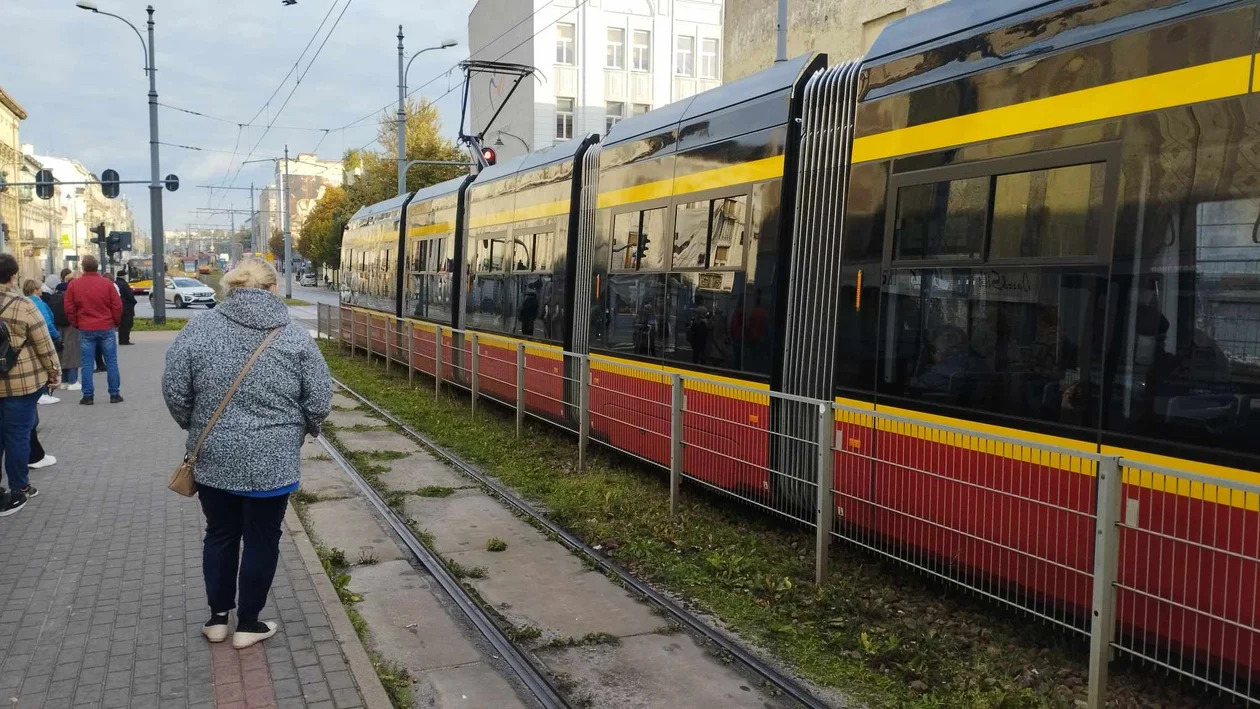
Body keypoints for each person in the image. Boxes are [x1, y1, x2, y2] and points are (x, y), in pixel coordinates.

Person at [162, 258, 331, 649]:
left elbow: (174, 391)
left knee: (220, 534)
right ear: (273, 289)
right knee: (262, 538)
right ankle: (249, 624)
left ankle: (218, 619)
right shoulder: (293, 336)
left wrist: (199, 427)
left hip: (214, 459)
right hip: (273, 463)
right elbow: (320, 399)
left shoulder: (197, 330)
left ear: (230, 289)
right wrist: (297, 430)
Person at [0, 255, 60, 515]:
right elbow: (43, 343)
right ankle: (19, 488)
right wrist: (53, 373)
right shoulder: (22, 304)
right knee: (17, 436)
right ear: (13, 276)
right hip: (19, 384)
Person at [64, 255, 123, 405]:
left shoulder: (74, 285)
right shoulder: (107, 284)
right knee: (111, 362)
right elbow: (117, 306)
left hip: (85, 328)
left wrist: (76, 323)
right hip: (106, 326)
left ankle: (88, 396)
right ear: (97, 267)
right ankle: (114, 394)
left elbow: (69, 308)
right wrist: (114, 322)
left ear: (83, 268)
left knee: (87, 363)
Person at [23, 279, 58, 470]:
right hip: (20, 376)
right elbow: (43, 335)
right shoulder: (26, 306)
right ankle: (22, 480)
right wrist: (53, 372)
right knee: (25, 425)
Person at [24, 280, 60, 407]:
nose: (41, 291)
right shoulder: (39, 303)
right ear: (35, 289)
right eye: (39, 288)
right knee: (45, 365)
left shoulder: (23, 302)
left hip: (27, 341)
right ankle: (43, 393)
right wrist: (56, 336)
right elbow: (46, 322)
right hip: (42, 338)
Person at [46, 273, 80, 392]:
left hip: (57, 327)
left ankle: (64, 381)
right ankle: (73, 381)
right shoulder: (71, 296)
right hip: (71, 327)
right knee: (72, 353)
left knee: (60, 353)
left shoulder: (53, 297)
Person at [115, 270, 137, 345]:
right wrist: (134, 302)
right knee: (127, 324)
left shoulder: (115, 283)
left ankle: (121, 340)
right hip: (127, 307)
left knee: (121, 325)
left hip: (119, 307)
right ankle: (125, 340)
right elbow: (129, 296)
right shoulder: (124, 284)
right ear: (123, 276)